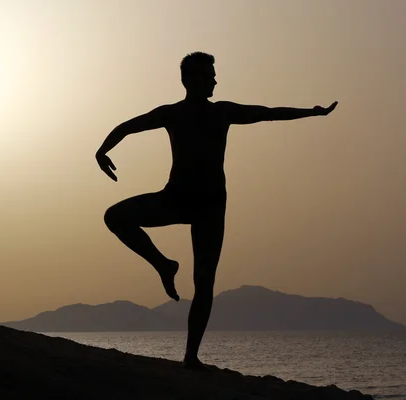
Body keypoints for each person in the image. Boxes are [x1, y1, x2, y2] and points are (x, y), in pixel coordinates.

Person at [95, 52, 338, 370]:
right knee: (115, 216)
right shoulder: (172, 114)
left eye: (213, 74)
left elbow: (268, 113)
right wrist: (102, 150)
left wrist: (312, 112)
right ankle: (164, 265)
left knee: (204, 282)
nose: (214, 80)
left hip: (210, 206)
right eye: (208, 75)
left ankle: (190, 356)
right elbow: (128, 126)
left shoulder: (222, 112)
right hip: (176, 198)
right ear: (188, 80)